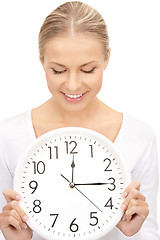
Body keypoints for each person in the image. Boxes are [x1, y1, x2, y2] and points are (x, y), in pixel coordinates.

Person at [0, 1, 159, 239]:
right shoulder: (9, 135)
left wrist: (131, 233)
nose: (73, 85)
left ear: (107, 59)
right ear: (42, 61)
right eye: (58, 70)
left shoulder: (139, 137)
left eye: (87, 70)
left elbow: (149, 230)